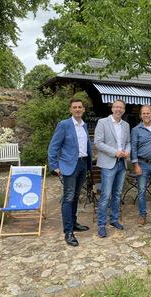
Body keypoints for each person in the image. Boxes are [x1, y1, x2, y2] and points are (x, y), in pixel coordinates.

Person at [48, 98, 92, 247]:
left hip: (82, 164)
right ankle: (68, 232)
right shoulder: (64, 125)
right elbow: (53, 147)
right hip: (68, 166)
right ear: (70, 110)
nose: (78, 109)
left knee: (75, 196)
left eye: (80, 107)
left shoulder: (84, 125)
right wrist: (54, 166)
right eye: (75, 107)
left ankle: (73, 224)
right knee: (68, 197)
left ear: (83, 109)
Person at [94, 99, 130, 238]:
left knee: (117, 194)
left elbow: (128, 142)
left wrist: (127, 151)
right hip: (109, 163)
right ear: (112, 108)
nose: (118, 109)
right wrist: (114, 152)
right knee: (105, 195)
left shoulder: (126, 125)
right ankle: (101, 225)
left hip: (122, 163)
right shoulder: (102, 122)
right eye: (116, 107)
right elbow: (98, 142)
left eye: (121, 107)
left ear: (124, 110)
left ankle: (114, 220)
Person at [131, 105, 151, 226]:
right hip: (142, 164)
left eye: (148, 113)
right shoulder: (136, 130)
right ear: (140, 115)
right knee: (142, 191)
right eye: (143, 113)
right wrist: (135, 165)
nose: (146, 115)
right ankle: (142, 215)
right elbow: (133, 147)